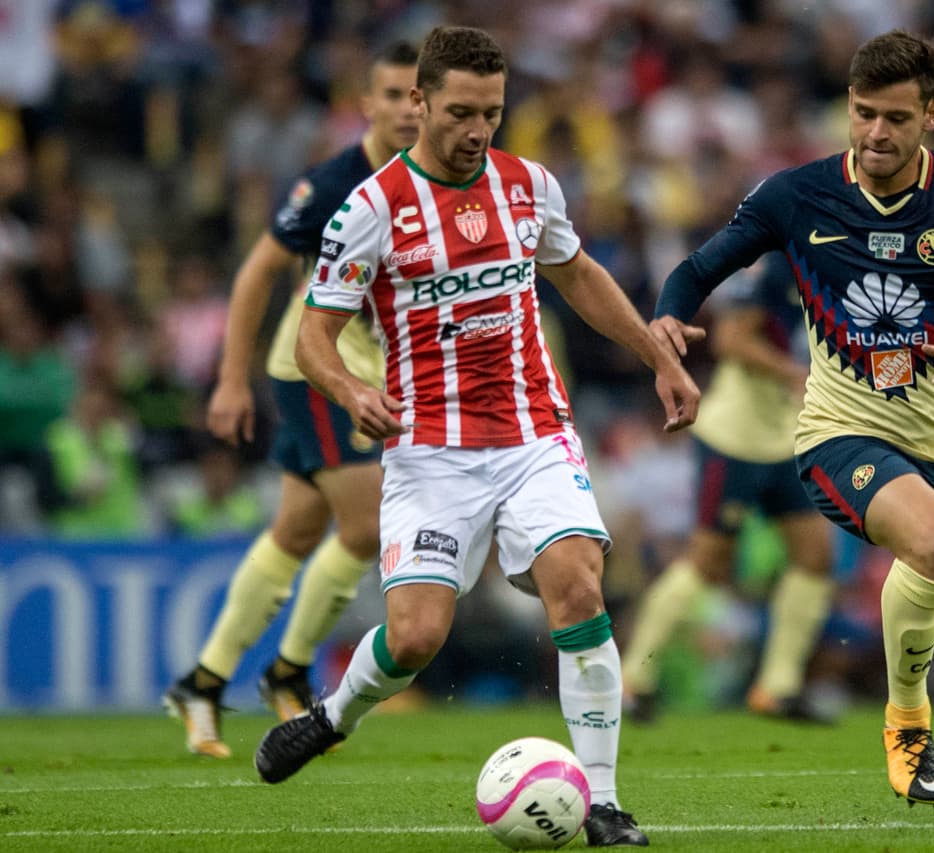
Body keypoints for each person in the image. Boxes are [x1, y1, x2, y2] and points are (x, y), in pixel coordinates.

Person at [253, 27, 699, 848]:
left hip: (533, 431)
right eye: (460, 112)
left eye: (491, 112)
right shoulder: (372, 208)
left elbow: (578, 274)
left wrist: (658, 359)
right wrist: (353, 390)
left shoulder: (530, 186)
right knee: (416, 635)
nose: (477, 129)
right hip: (430, 450)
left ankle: (603, 801)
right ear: (419, 102)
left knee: (579, 585)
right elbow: (313, 334)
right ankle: (334, 713)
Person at [650, 30, 934, 816]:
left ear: (932, 115)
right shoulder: (796, 195)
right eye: (862, 113)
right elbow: (696, 270)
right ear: (848, 106)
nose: (875, 133)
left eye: (895, 118)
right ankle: (907, 721)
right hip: (838, 433)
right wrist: (668, 323)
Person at [163, 42, 421, 759]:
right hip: (317, 369)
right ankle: (286, 671)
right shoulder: (334, 183)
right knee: (365, 525)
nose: (407, 109)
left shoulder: (435, 182)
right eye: (392, 94)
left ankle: (203, 681)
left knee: (296, 533)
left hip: (368, 374)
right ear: (365, 104)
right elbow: (256, 273)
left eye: (417, 96)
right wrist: (230, 378)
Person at [621, 252, 836, 723]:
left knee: (815, 556)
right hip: (734, 438)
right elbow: (731, 340)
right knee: (708, 564)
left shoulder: (836, 267)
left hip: (786, 437)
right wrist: (794, 374)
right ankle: (633, 680)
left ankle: (777, 688)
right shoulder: (777, 267)